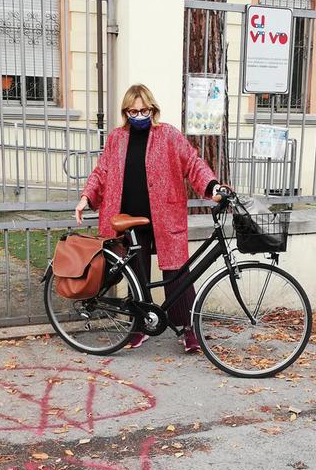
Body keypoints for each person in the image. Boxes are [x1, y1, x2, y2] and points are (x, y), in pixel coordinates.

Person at [75, 83, 223, 353]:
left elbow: (192, 162)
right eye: (133, 111)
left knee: (177, 272)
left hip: (165, 214)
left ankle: (188, 329)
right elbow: (102, 172)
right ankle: (138, 327)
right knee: (136, 273)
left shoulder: (168, 135)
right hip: (129, 217)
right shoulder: (116, 139)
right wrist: (86, 196)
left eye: (144, 110)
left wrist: (211, 186)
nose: (139, 115)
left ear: (152, 109)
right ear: (125, 112)